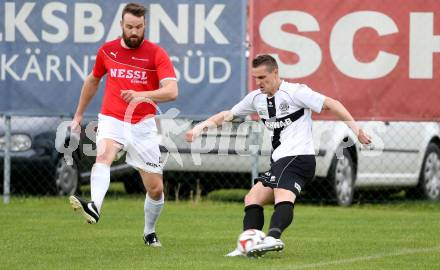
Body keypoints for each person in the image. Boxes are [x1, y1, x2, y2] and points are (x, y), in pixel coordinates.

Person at [185, 54, 371, 257]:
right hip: (281, 160)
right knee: (252, 198)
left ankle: (273, 237)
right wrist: (200, 128)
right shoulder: (256, 98)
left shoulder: (296, 92)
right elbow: (228, 115)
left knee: (283, 195)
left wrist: (357, 130)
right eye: (256, 78)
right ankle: (249, 245)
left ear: (276, 72)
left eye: (263, 77)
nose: (259, 82)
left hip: (299, 158)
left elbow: (333, 103)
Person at [69, 3, 178, 248]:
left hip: (143, 125)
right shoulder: (107, 51)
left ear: (144, 26)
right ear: (121, 25)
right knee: (104, 154)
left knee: (156, 189)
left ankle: (149, 232)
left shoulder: (156, 53)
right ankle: (95, 206)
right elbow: (93, 80)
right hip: (113, 118)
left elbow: (172, 91)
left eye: (138, 27)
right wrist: (78, 115)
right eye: (129, 27)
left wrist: (143, 95)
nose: (134, 32)